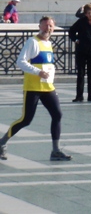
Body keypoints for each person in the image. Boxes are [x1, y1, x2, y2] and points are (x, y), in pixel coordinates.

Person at [0, 16, 71, 161]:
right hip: (33, 87)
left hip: (48, 87)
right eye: (45, 26)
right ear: (40, 26)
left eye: (50, 26)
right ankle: (2, 142)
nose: (48, 28)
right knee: (26, 120)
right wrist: (37, 72)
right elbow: (21, 61)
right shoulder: (33, 42)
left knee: (57, 114)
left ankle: (56, 150)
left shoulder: (49, 43)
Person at [69, 4, 91, 102]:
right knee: (81, 74)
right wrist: (75, 39)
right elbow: (71, 31)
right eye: (89, 13)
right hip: (81, 51)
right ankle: (79, 96)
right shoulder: (81, 22)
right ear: (86, 14)